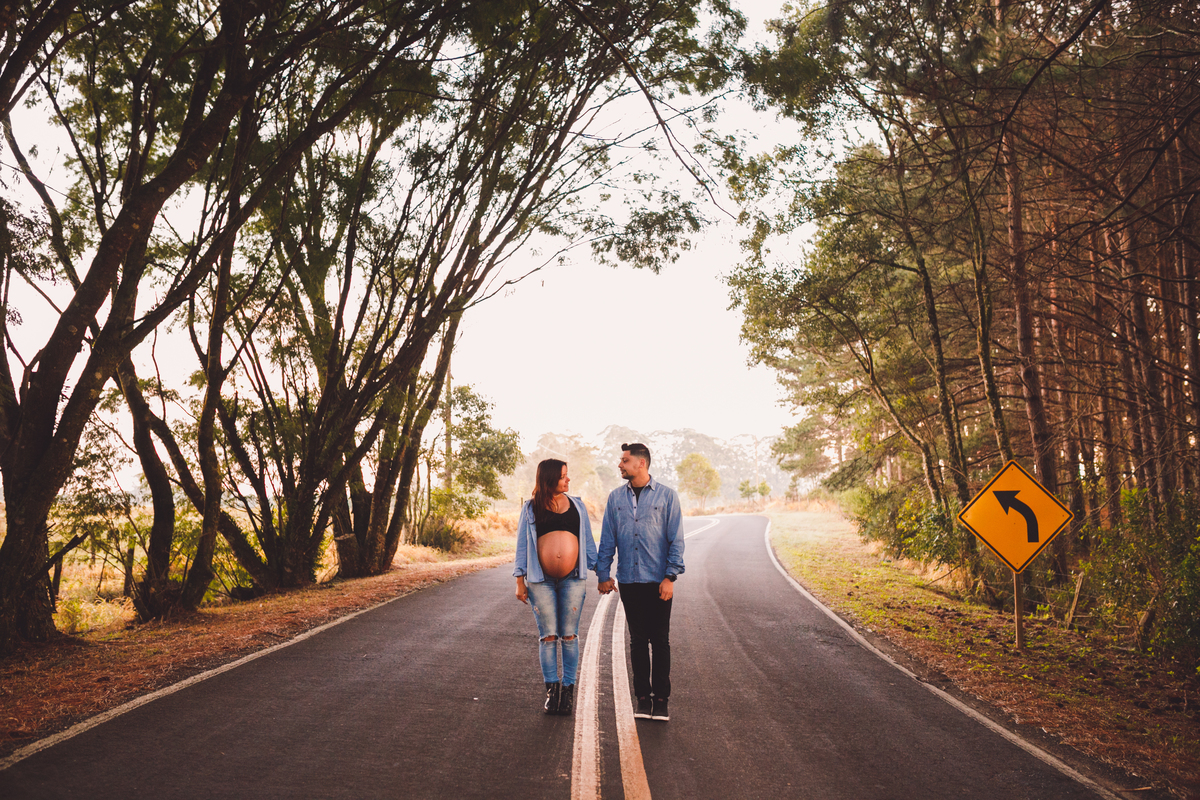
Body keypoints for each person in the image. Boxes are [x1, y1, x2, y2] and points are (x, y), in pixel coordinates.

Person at [597, 442, 683, 722]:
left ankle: (661, 700)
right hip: (630, 581)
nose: (620, 465)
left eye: (624, 460)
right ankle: (642, 699)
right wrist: (603, 574)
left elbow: (676, 541)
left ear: (641, 463)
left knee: (660, 641)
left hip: (658, 581)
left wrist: (670, 577)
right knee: (637, 641)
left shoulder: (667, 497)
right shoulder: (615, 498)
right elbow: (608, 540)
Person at [514, 458, 598, 715]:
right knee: (548, 636)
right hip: (541, 581)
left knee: (569, 635)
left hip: (573, 578)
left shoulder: (578, 506)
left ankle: (569, 691)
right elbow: (522, 546)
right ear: (549, 478)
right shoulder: (531, 508)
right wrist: (520, 580)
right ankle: (552, 692)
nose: (568, 480)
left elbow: (588, 543)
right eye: (563, 476)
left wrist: (603, 574)